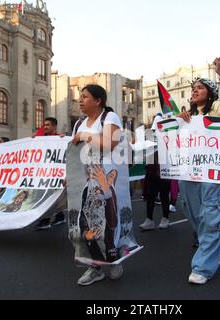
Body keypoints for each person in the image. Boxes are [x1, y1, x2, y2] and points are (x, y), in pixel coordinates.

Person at [177, 56, 220, 285]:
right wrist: (179, 121)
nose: (194, 91)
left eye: (200, 88)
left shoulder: (217, 108)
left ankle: (203, 268)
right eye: (193, 89)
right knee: (194, 215)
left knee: (211, 215)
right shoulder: (187, 116)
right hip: (189, 172)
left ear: (210, 93)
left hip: (212, 172)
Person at [71, 84, 126, 286]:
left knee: (110, 225)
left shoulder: (110, 118)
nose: (80, 100)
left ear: (98, 100)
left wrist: (84, 136)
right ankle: (94, 268)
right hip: (86, 185)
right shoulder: (79, 124)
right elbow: (74, 155)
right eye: (80, 96)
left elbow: (109, 143)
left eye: (84, 96)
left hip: (106, 184)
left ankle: (115, 262)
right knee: (84, 226)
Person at [33, 117, 67, 230]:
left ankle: (46, 220)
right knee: (47, 197)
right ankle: (59, 216)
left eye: (47, 125)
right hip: (44, 173)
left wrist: (63, 140)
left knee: (51, 197)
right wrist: (33, 140)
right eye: (44, 125)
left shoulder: (59, 139)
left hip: (54, 174)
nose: (45, 127)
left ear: (54, 126)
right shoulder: (41, 139)